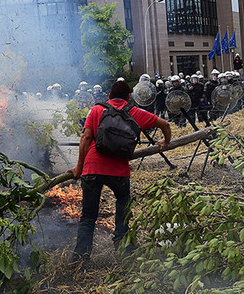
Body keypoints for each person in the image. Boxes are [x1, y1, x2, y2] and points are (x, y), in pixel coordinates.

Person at [68, 80, 171, 263]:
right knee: (123, 202)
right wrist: (166, 142)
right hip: (119, 171)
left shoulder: (97, 109)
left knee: (88, 216)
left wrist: (79, 167)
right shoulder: (135, 112)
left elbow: (86, 137)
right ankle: (122, 246)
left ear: (109, 96)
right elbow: (165, 124)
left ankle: (80, 258)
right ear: (129, 97)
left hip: (92, 168)